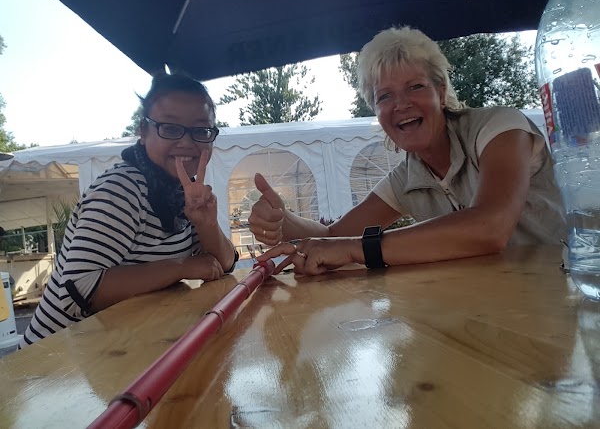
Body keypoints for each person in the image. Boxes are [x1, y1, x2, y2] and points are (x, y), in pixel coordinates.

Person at [250, 26, 566, 275]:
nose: (401, 104)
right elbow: (333, 238)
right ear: (376, 111)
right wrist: (283, 220)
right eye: (384, 96)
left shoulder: (499, 128)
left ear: (440, 92)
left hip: (564, 297)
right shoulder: (406, 178)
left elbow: (490, 227)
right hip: (492, 309)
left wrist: (358, 249)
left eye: (415, 86)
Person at [21, 73, 238, 346]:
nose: (186, 142)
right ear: (143, 131)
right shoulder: (121, 188)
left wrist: (207, 225)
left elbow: (223, 264)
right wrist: (180, 267)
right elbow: (79, 290)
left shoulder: (183, 193)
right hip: (55, 359)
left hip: (122, 349)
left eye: (200, 130)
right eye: (170, 128)